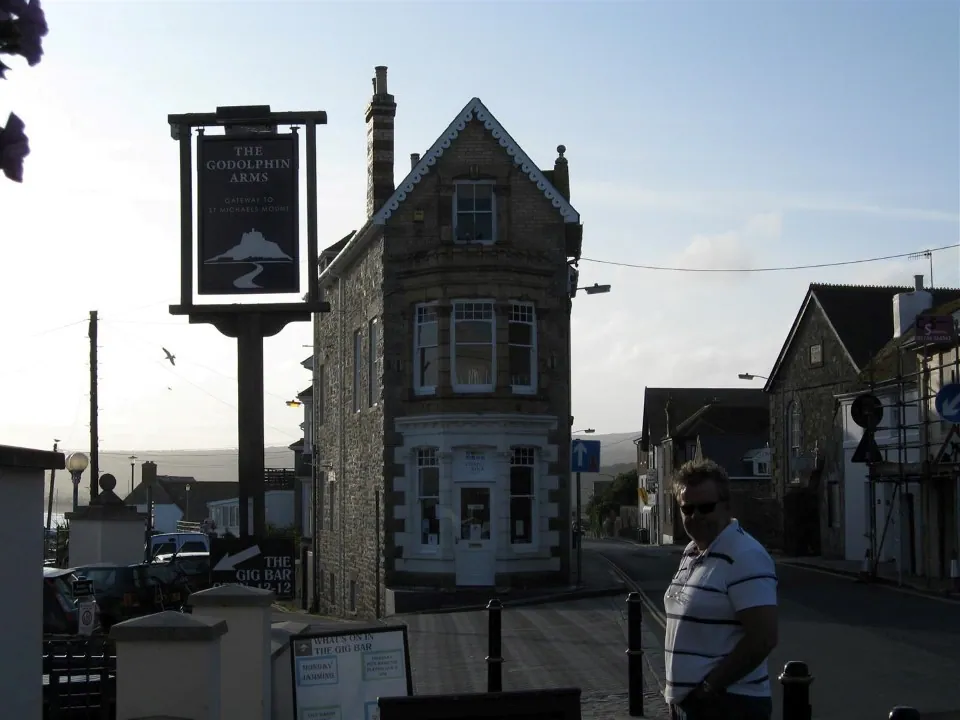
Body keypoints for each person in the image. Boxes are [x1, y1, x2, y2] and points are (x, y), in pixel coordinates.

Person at [663, 459, 779, 720]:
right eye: (687, 508)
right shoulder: (693, 552)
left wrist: (707, 689)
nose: (696, 516)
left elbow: (763, 638)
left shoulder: (745, 554)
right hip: (692, 705)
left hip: (729, 705)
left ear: (726, 506)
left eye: (705, 507)